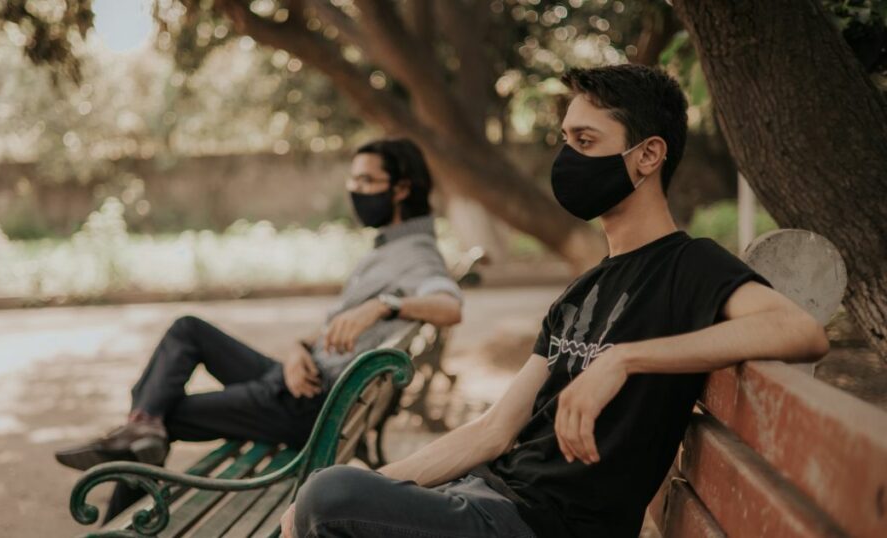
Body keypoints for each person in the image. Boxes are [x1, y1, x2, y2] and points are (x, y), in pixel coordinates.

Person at [281, 64, 829, 538]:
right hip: (489, 500)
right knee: (333, 495)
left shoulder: (689, 265)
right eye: (565, 139)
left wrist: (625, 358)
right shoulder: (581, 291)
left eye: (585, 141)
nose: (567, 157)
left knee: (330, 499)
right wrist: (380, 482)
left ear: (648, 156)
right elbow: (494, 429)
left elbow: (798, 330)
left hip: (543, 526)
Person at [53, 138, 464, 522]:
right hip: (305, 381)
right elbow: (333, 331)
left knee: (163, 414)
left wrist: (384, 306)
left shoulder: (416, 254)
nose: (354, 189)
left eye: (366, 180)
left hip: (309, 407)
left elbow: (450, 305)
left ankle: (120, 500)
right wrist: (296, 350)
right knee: (188, 330)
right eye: (352, 178)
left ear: (401, 189)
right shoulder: (391, 247)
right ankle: (142, 428)